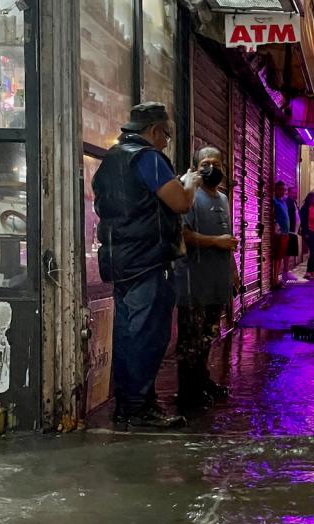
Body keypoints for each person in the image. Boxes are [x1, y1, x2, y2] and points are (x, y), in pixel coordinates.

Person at [93, 102, 201, 429]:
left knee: (128, 334)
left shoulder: (111, 158)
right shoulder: (147, 158)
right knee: (148, 337)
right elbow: (180, 202)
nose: (166, 142)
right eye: (165, 135)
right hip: (148, 260)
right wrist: (191, 182)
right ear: (154, 131)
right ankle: (139, 407)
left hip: (121, 260)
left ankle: (129, 404)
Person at [175, 146, 238, 412]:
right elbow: (184, 235)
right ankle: (188, 393)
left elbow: (229, 241)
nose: (211, 167)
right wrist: (215, 242)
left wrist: (234, 274)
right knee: (191, 340)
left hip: (216, 284)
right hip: (194, 283)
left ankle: (203, 382)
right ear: (196, 167)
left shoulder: (222, 199)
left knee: (207, 337)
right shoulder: (189, 197)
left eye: (216, 162)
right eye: (205, 162)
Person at [271, 182, 291, 288]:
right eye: (280, 189)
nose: (282, 192)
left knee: (280, 257)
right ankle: (274, 280)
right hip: (278, 233)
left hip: (285, 233)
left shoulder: (283, 202)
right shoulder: (274, 201)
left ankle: (277, 279)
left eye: (283, 190)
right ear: (275, 189)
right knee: (276, 257)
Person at [284, 188, 300, 280]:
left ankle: (286, 272)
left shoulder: (293, 202)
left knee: (289, 252)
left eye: (296, 192)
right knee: (287, 252)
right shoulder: (288, 202)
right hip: (289, 231)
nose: (295, 194)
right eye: (293, 192)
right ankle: (285, 272)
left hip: (293, 231)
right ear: (288, 193)